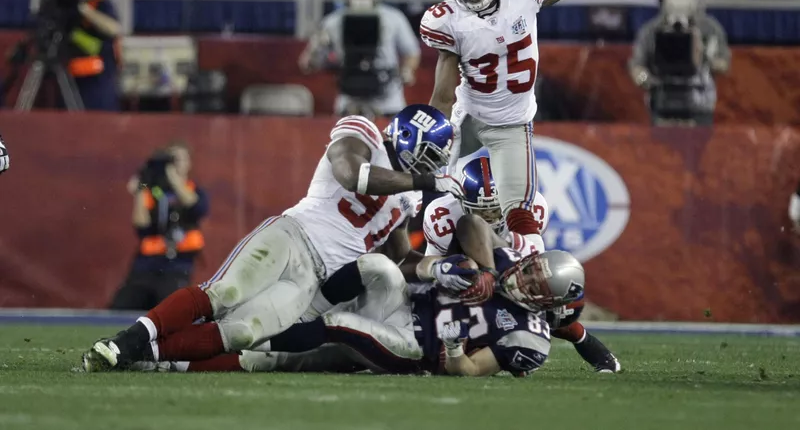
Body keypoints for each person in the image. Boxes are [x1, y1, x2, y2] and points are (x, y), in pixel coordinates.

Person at [82, 105, 469, 372]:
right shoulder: (362, 133)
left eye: (436, 161)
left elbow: (399, 257)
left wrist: (437, 267)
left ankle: (143, 354)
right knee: (224, 295)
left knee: (242, 332)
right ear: (405, 137)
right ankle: (126, 340)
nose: (432, 166)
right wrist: (427, 180)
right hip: (293, 236)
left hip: (314, 279)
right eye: (429, 155)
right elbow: (353, 175)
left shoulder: (408, 195)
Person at [421, 0, 650, 239]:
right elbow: (444, 93)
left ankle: (520, 270)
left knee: (519, 210)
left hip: (513, 121)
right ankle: (435, 267)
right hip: (470, 120)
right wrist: (435, 137)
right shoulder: (450, 21)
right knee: (442, 197)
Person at [150, 247, 585, 377]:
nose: (523, 278)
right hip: (405, 305)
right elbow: (465, 232)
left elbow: (468, 371)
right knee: (377, 265)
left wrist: (453, 348)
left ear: (546, 303)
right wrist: (442, 268)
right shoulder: (499, 264)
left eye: (535, 284)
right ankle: (305, 309)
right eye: (531, 269)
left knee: (338, 325)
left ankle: (261, 334)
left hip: (417, 349)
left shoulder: (528, 335)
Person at [421, 152, 620, 373]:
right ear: (461, 200)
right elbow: (434, 267)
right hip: (465, 263)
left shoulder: (531, 206)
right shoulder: (442, 215)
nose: (490, 216)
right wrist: (453, 274)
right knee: (467, 286)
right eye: (481, 209)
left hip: (510, 251)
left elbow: (532, 276)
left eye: (495, 209)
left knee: (544, 301)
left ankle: (588, 344)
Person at [300, 0, 420, 116]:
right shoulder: (332, 22)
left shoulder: (394, 18)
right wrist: (315, 48)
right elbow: (308, 66)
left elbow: (412, 52)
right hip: (349, 102)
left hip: (389, 101)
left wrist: (407, 70)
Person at [110, 141, 209, 310]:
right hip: (147, 264)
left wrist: (174, 179)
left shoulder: (194, 190)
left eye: (180, 160)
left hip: (177, 264)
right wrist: (142, 186)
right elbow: (141, 225)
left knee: (171, 307)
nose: (175, 164)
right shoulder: (154, 192)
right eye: (172, 160)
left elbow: (195, 207)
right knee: (122, 305)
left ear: (188, 163)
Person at [629, 0, 730, 126]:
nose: (678, 0)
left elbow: (723, 64)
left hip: (700, 105)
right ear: (662, 0)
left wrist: (705, 56)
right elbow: (637, 66)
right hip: (662, 104)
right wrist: (646, 80)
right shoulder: (650, 31)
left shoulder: (709, 28)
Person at [62, 0, 123, 111]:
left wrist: (83, 9)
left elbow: (114, 28)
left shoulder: (100, 2)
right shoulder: (61, 4)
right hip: (66, 76)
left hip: (96, 80)